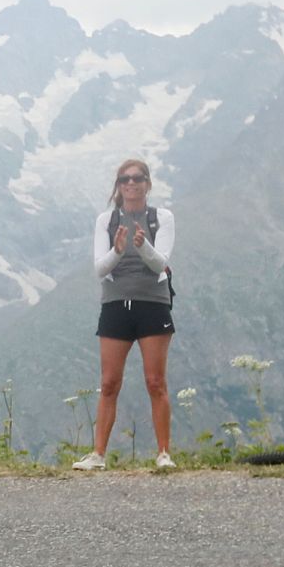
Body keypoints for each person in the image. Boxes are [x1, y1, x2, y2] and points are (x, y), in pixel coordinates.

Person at [73, 159, 177, 471]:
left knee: (155, 381)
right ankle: (98, 455)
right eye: (125, 179)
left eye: (137, 178)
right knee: (108, 383)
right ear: (118, 186)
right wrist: (119, 250)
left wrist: (143, 246)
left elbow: (162, 264)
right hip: (116, 304)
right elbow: (99, 268)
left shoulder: (163, 218)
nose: (131, 184)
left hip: (153, 303)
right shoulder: (106, 219)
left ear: (148, 183)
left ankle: (163, 454)